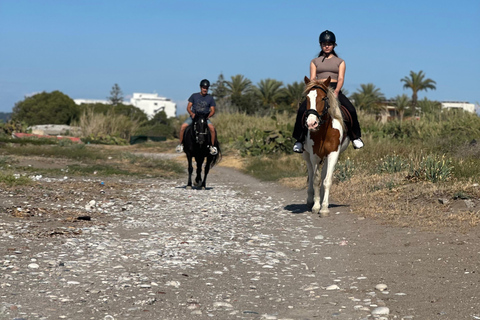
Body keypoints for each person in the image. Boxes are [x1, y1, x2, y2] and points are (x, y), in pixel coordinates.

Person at [292, 30, 364, 153]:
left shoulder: (340, 61)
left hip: (334, 88)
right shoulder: (314, 61)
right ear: (320, 45)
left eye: (329, 44)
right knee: (302, 110)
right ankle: (299, 140)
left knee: (351, 110)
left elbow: (341, 78)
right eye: (324, 43)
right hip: (319, 88)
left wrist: (336, 91)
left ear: (334, 45)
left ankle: (355, 137)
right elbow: (313, 78)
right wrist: (315, 89)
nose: (326, 46)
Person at [176, 79, 218, 155]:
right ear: (200, 88)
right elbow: (188, 107)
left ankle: (212, 146)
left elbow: (213, 110)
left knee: (212, 128)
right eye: (203, 87)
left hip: (204, 118)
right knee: (183, 127)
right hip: (194, 117)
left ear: (208, 88)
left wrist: (208, 116)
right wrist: (192, 113)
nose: (205, 89)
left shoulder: (210, 98)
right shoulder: (194, 96)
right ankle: (181, 144)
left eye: (206, 88)